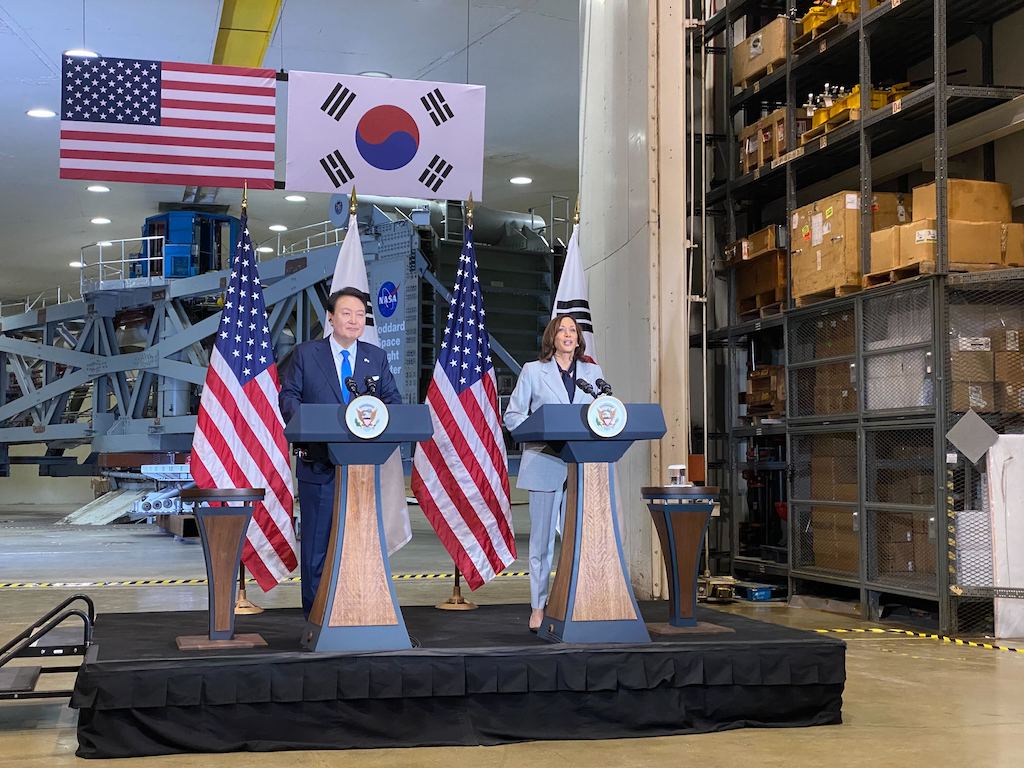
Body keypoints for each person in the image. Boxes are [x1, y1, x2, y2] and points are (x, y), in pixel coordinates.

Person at [279, 287, 402, 618]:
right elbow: (288, 396)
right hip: (319, 466)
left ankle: (358, 611)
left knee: (360, 545)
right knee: (318, 546)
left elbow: (392, 401)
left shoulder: (375, 357)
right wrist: (307, 422)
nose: (354, 320)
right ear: (331, 317)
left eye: (360, 314)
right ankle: (317, 615)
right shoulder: (307, 354)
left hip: (363, 468)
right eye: (347, 313)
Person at [503, 315, 603, 631]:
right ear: (552, 337)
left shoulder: (593, 373)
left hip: (582, 465)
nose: (569, 334)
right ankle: (538, 606)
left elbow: (603, 412)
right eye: (563, 330)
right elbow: (513, 415)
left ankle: (579, 600)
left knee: (584, 540)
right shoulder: (534, 372)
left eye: (573, 330)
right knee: (542, 543)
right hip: (545, 461)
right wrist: (538, 431)